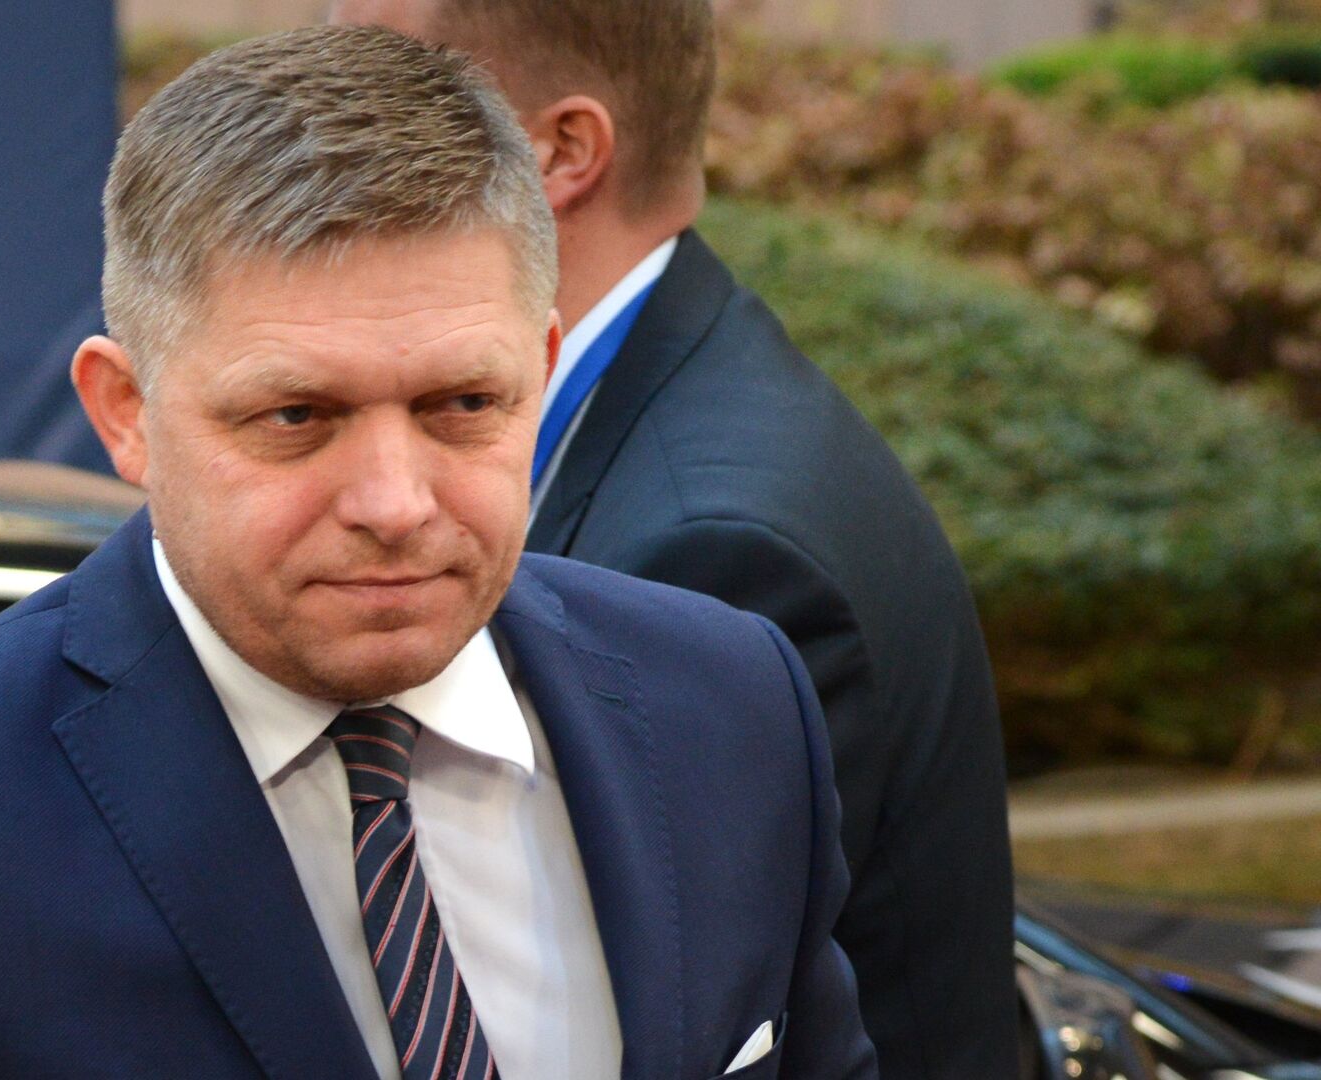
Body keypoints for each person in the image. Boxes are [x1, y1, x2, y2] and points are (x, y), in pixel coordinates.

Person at [0, 25, 876, 1079]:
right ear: (125, 412)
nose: (394, 502)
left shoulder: (730, 709)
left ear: (543, 369)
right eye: (296, 417)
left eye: (463, 404)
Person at [327, 3, 1015, 1077]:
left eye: (387, 96)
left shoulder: (715, 550)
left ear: (563, 151)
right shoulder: (679, 401)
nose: (324, 139)